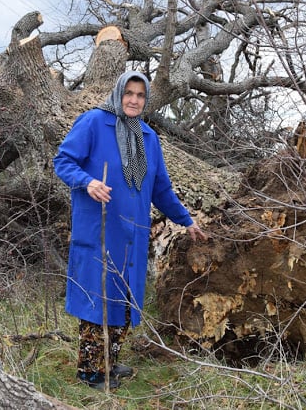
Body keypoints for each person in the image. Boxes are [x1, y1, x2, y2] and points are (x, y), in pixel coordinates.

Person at [53, 71, 207, 390]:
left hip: (133, 236)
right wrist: (88, 182)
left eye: (140, 95)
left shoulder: (148, 137)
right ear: (119, 93)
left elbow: (160, 189)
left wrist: (186, 220)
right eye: (129, 93)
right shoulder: (94, 122)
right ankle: (90, 372)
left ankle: (110, 362)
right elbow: (63, 162)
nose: (134, 100)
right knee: (98, 300)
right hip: (100, 230)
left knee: (124, 302)